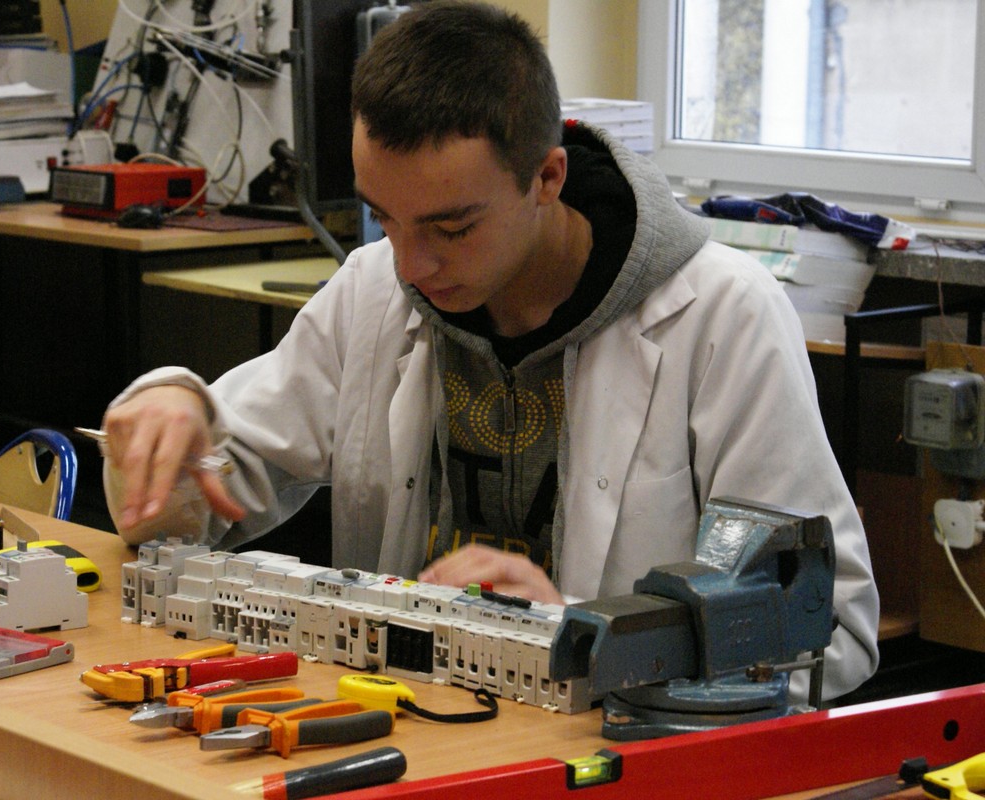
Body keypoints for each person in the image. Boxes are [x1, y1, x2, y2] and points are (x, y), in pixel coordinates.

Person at [102, 0, 879, 701]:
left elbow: (829, 632)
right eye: (385, 218)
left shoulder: (720, 316)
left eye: (451, 228)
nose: (411, 265)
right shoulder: (375, 287)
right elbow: (205, 493)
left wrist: (582, 632)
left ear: (547, 177)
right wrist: (169, 418)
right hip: (407, 731)